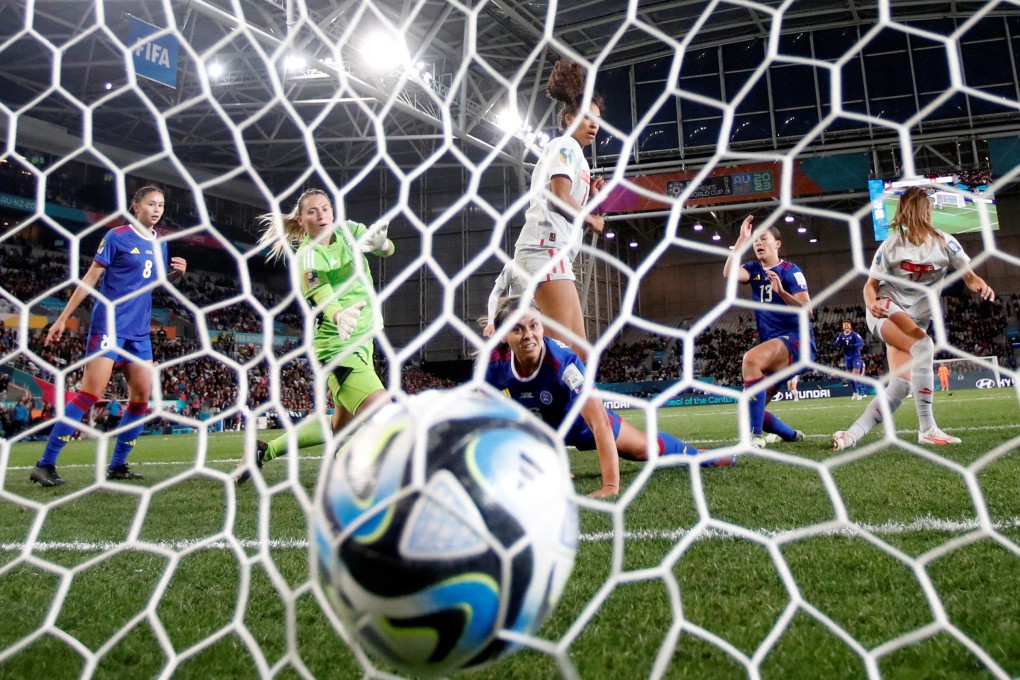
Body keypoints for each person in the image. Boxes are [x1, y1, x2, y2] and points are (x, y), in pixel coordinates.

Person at [485, 296, 732, 500]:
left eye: (534, 325)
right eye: (517, 328)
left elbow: (599, 422)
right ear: (503, 335)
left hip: (584, 426)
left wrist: (610, 486)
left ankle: (700, 457)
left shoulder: (563, 361)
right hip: (545, 433)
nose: (529, 334)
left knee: (645, 450)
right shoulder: (494, 363)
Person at [30, 185, 187, 487]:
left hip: (139, 332)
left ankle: (118, 466)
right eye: (151, 204)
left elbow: (149, 286)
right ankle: (45, 464)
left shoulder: (160, 244)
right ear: (135, 207)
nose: (157, 209)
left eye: (161, 205)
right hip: (109, 327)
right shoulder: (117, 237)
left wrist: (174, 277)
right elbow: (90, 278)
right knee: (90, 394)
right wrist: (63, 317)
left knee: (141, 396)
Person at [234, 189, 394, 485]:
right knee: (385, 413)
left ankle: (262, 452)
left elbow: (387, 250)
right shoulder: (307, 256)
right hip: (338, 348)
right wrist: (338, 315)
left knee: (340, 425)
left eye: (325, 208)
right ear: (300, 219)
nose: (321, 215)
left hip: (364, 341)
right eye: (312, 211)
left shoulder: (350, 231)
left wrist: (382, 244)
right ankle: (365, 472)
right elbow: (321, 295)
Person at [833, 186, 993, 450]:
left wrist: (978, 284)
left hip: (916, 321)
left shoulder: (945, 243)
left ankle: (850, 436)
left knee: (900, 387)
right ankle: (927, 428)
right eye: (925, 206)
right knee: (924, 345)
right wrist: (871, 302)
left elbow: (970, 276)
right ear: (921, 210)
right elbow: (870, 285)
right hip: (886, 310)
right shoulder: (891, 246)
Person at [511, 58, 605, 362]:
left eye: (598, 120)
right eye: (588, 117)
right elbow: (559, 197)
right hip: (544, 250)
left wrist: (590, 198)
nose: (595, 125)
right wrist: (590, 216)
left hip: (554, 253)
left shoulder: (577, 158)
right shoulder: (566, 146)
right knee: (560, 351)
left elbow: (567, 204)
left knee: (580, 354)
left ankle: (586, 411)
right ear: (568, 119)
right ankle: (527, 401)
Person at [722, 215, 812, 447]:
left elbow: (808, 311)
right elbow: (729, 273)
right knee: (750, 407)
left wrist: (781, 291)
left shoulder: (790, 271)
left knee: (750, 359)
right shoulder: (753, 269)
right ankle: (791, 435)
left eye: (763, 239)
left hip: (796, 342)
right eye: (755, 241)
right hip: (774, 346)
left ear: (777, 244)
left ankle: (753, 437)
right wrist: (741, 239)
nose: (758, 243)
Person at [482, 260, 527, 338]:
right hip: (516, 317)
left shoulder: (546, 262)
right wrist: (490, 322)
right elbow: (495, 294)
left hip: (540, 316)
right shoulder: (512, 266)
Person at [833, 320, 867, 400]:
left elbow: (862, 343)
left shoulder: (854, 334)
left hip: (855, 357)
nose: (846, 327)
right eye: (844, 325)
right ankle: (855, 392)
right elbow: (835, 344)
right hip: (847, 358)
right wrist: (836, 345)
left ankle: (859, 394)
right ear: (843, 327)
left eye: (847, 325)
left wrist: (853, 345)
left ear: (850, 326)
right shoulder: (841, 335)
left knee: (856, 375)